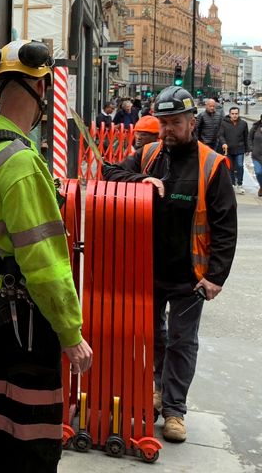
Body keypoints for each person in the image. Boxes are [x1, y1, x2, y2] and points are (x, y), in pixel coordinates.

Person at [0, 39, 92, 472]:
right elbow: (45, 262)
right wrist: (70, 332)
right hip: (29, 321)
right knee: (35, 436)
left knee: (7, 423)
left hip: (2, 313)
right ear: (40, 92)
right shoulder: (20, 164)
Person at [101, 86, 237, 443]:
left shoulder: (212, 164)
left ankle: (174, 410)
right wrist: (140, 179)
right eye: (162, 124)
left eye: (175, 123)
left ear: (192, 122)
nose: (167, 131)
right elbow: (108, 174)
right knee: (153, 336)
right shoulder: (148, 156)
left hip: (190, 275)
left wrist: (216, 276)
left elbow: (225, 227)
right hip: (146, 269)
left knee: (182, 340)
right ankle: (157, 389)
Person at [220, 106, 250, 194]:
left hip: (240, 149)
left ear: (238, 114)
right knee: (230, 167)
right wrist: (223, 143)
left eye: (236, 114)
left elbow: (246, 137)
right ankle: (232, 184)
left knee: (240, 166)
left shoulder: (243, 123)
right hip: (228, 149)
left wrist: (247, 148)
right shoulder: (223, 123)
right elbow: (220, 135)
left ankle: (240, 184)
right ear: (229, 114)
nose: (234, 115)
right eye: (232, 114)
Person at [251, 114, 262, 197]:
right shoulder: (255, 127)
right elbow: (249, 138)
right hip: (256, 155)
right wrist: (251, 148)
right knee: (258, 172)